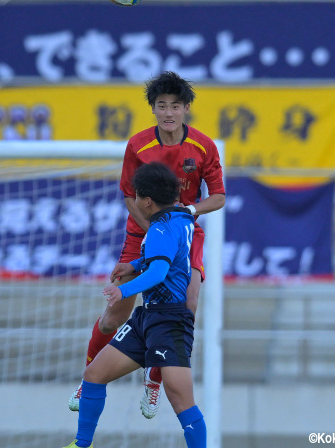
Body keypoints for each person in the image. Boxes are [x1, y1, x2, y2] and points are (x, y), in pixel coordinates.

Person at [69, 71, 226, 418]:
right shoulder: (138, 145)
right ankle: (89, 376)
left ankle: (153, 379)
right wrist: (156, 231)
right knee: (113, 318)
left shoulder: (203, 147)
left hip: (186, 236)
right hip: (141, 233)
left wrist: (187, 212)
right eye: (161, 106)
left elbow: (218, 197)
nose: (168, 112)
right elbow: (128, 195)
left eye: (175, 105)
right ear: (153, 110)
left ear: (186, 108)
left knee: (187, 304)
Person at [63, 161, 206, 448]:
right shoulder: (180, 218)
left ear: (147, 201)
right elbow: (167, 258)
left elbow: (158, 272)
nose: (134, 201)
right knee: (95, 374)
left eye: (137, 196)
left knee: (181, 401)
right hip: (146, 318)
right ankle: (81, 445)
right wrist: (134, 265)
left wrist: (122, 291)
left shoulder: (159, 229)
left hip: (169, 323)